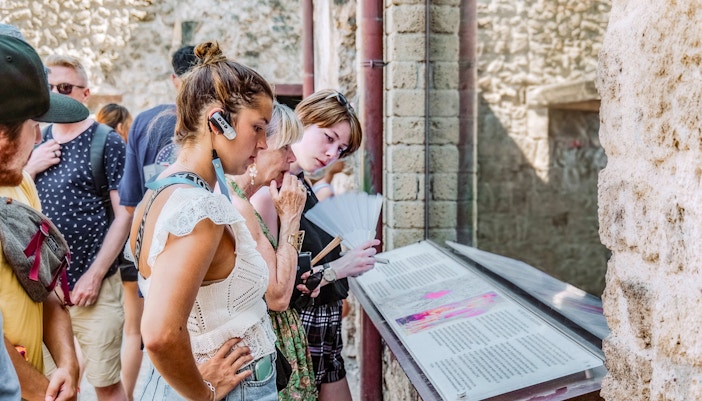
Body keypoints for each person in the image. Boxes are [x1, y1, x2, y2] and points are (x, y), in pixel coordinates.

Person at [128, 41, 278, 401]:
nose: (262, 143)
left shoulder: (157, 193)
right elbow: (161, 334)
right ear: (218, 120)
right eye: (257, 128)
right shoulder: (200, 212)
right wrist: (205, 393)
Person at [251, 89, 380, 401]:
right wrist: (338, 269)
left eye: (341, 148)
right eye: (329, 137)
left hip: (324, 332)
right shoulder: (270, 192)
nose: (332, 153)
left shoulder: (301, 185)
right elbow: (272, 289)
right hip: (296, 335)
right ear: (303, 122)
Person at [26, 54, 130, 401]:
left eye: (65, 87)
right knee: (51, 388)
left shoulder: (106, 141)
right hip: (45, 291)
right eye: (50, 87)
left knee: (105, 383)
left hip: (94, 287)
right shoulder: (33, 140)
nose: (56, 93)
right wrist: (32, 167)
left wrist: (96, 275)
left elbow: (124, 215)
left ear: (85, 94)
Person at [0, 32, 87, 401]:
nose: (39, 137)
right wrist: (40, 394)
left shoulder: (21, 186)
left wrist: (67, 363)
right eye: (34, 124)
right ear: (3, 136)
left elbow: (44, 286)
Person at [116, 45, 197, 401]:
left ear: (173, 80)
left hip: (148, 245)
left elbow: (131, 199)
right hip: (196, 245)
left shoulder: (147, 120)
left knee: (139, 331)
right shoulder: (219, 124)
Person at [226, 103, 317, 400]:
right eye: (285, 148)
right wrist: (291, 218)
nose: (292, 158)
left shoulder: (241, 198)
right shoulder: (239, 205)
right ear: (259, 146)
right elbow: (278, 296)